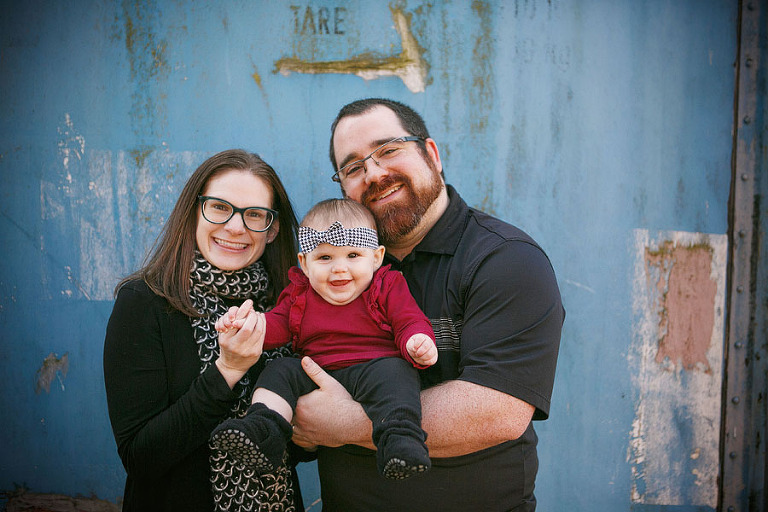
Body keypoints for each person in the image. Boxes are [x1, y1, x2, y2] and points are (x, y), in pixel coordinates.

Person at [290, 99, 565, 511]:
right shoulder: (330, 273)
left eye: (388, 150)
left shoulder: (506, 259)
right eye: (353, 168)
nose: (374, 174)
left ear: (431, 154)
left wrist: (342, 423)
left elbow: (496, 411)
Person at [103, 149, 304, 512]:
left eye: (254, 214)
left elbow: (300, 450)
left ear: (272, 229)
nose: (235, 227)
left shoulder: (286, 304)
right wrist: (228, 370)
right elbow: (141, 458)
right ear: (194, 211)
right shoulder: (144, 302)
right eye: (219, 207)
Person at [209, 198, 438, 481]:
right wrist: (247, 324)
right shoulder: (300, 293)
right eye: (325, 258)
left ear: (376, 258)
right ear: (305, 264)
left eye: (353, 255)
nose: (339, 268)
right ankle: (264, 429)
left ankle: (400, 439)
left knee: (397, 373)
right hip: (315, 373)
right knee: (279, 369)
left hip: (375, 368)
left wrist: (417, 340)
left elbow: (408, 320)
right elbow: (276, 324)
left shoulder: (386, 285)